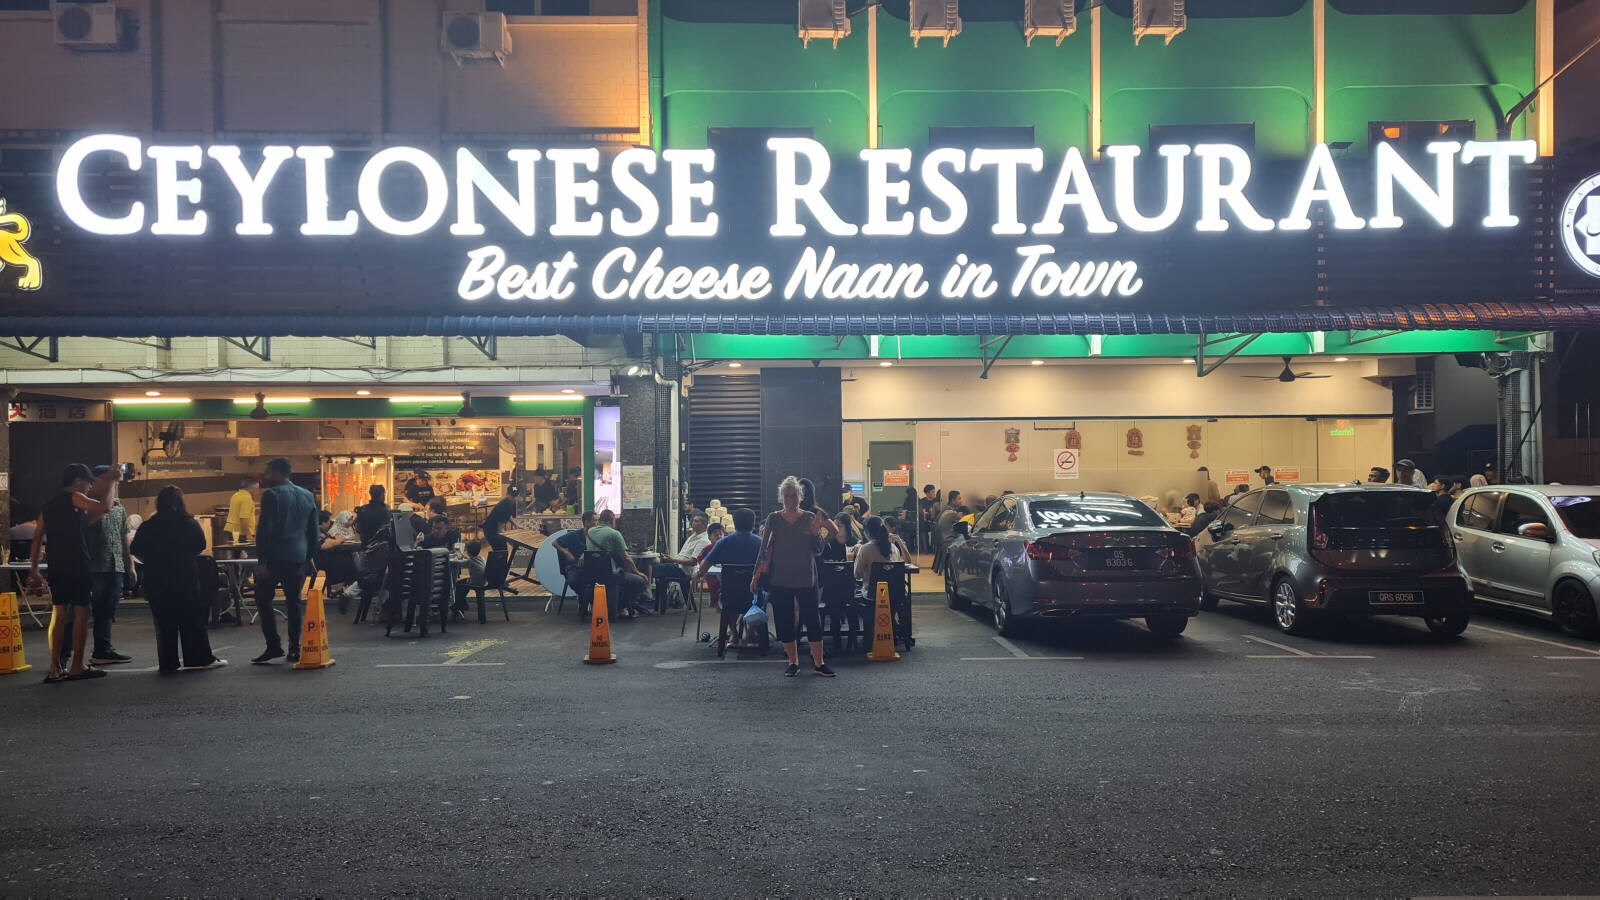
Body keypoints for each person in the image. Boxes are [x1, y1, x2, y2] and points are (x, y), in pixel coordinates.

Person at [31, 463, 119, 683]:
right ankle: (77, 666)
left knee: (59, 616)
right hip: (78, 565)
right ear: (78, 481)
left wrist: (34, 570)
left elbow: (37, 537)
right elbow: (104, 508)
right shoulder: (75, 497)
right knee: (81, 613)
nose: (90, 486)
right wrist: (111, 482)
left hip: (56, 566)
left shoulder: (48, 506)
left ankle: (55, 668)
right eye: (88, 482)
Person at [130, 486, 226, 674]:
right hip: (184, 577)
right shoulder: (188, 523)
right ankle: (198, 658)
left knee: (164, 622)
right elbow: (201, 545)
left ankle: (168, 662)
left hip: (156, 578)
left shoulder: (149, 525)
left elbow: (136, 549)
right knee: (191, 619)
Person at [754, 476, 835, 678]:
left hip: (806, 577)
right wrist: (754, 576)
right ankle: (793, 662)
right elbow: (763, 550)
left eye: (794, 495)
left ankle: (819, 663)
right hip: (779, 578)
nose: (790, 499)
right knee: (784, 621)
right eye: (786, 495)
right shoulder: (773, 518)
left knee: (813, 620)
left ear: (800, 496)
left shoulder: (809, 517)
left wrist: (817, 533)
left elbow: (818, 550)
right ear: (781, 497)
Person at [252, 458, 321, 665]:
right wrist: (309, 558)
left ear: (277, 473)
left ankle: (274, 645)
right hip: (299, 557)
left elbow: (265, 531)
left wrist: (262, 561)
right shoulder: (307, 495)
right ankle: (295, 648)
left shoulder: (271, 496)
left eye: (268, 472)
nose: (266, 476)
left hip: (275, 557)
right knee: (294, 602)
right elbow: (313, 532)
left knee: (263, 598)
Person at [82, 464, 133, 666]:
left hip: (115, 565)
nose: (113, 486)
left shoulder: (119, 508)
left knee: (107, 611)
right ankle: (65, 657)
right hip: (93, 566)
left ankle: (103, 651)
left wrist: (130, 565)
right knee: (80, 613)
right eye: (108, 481)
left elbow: (123, 538)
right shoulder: (88, 505)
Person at [586, 508, 649, 618]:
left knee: (626, 578)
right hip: (610, 575)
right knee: (640, 581)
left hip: (592, 575)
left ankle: (614, 607)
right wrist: (638, 573)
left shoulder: (590, 532)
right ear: (612, 520)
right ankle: (621, 607)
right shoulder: (614, 533)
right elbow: (626, 557)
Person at [655, 513, 713, 609]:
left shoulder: (703, 540)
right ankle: (659, 599)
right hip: (678, 565)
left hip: (685, 570)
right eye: (693, 521)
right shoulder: (693, 536)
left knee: (657, 568)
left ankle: (660, 601)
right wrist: (671, 559)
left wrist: (673, 560)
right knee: (656, 563)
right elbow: (683, 555)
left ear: (704, 525)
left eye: (696, 521)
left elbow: (693, 562)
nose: (692, 523)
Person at [453, 540, 487, 617]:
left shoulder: (470, 561)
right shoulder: (482, 558)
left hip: (476, 582)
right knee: (463, 585)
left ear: (468, 551)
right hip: (484, 580)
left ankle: (459, 605)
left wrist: (457, 553)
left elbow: (458, 562)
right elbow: (468, 561)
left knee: (458, 584)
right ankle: (462, 604)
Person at [483, 486, 519, 553]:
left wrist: (516, 524)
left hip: (496, 530)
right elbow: (500, 529)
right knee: (501, 552)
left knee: (503, 552)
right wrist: (511, 541)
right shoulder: (502, 507)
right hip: (491, 532)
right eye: (512, 496)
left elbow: (509, 515)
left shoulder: (510, 503)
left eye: (516, 496)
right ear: (507, 494)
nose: (515, 498)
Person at [225, 475, 257, 544]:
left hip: (231, 531)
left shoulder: (235, 495)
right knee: (249, 554)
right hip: (241, 533)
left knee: (235, 554)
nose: (257, 492)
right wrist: (248, 535)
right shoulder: (247, 498)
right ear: (252, 489)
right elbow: (244, 518)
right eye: (257, 489)